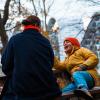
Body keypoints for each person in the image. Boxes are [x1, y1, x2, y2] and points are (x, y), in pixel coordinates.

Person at [1, 15, 61, 100]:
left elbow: (6, 66)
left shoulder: (15, 39)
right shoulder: (45, 41)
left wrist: (18, 72)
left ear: (25, 26)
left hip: (23, 92)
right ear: (37, 25)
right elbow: (50, 64)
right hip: (48, 91)